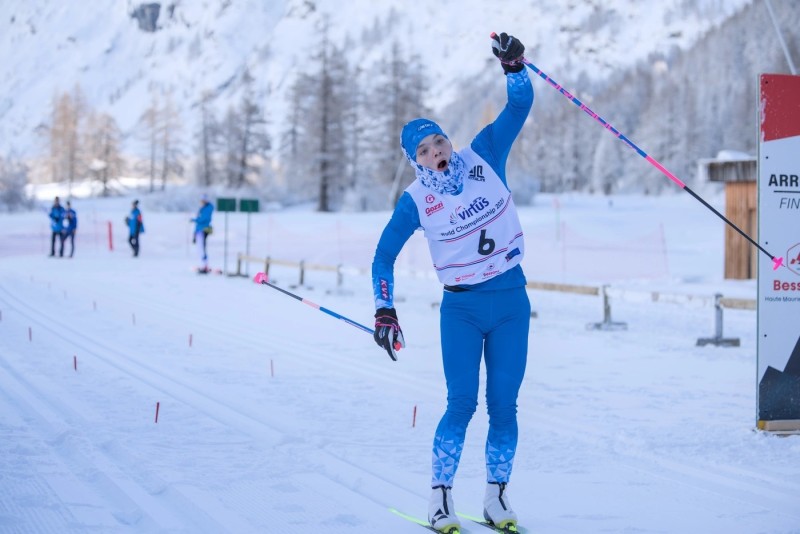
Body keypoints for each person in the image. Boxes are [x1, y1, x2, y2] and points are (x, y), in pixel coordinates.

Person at [371, 33, 532, 534]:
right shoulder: (416, 199)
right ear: (415, 160)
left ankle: (496, 498)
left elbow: (519, 104)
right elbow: (383, 256)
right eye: (425, 148)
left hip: (510, 302)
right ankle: (441, 500)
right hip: (461, 311)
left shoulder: (483, 154)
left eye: (438, 139)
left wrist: (513, 67)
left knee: (504, 406)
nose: (437, 150)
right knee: (462, 403)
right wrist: (385, 310)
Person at [190, 194, 214, 273]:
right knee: (200, 248)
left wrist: (194, 220)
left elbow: (204, 219)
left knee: (201, 248)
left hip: (203, 230)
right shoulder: (203, 208)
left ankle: (204, 265)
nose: (202, 202)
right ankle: (203, 264)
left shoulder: (207, 208)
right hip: (199, 230)